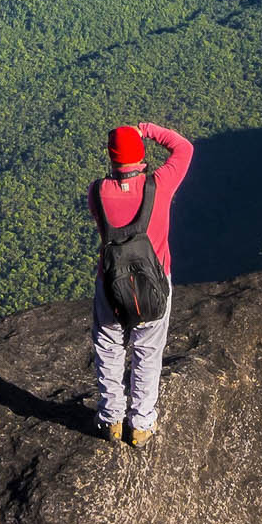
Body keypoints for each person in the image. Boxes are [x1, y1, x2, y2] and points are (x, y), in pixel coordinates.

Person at [89, 120, 193, 445]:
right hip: (156, 282)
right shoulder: (159, 185)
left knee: (108, 348)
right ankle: (142, 424)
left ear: (110, 156)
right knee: (148, 351)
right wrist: (146, 128)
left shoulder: (97, 192)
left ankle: (111, 420)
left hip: (111, 284)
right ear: (142, 154)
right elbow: (183, 147)